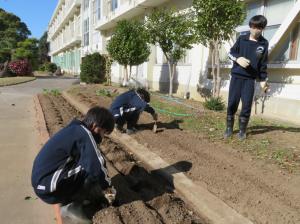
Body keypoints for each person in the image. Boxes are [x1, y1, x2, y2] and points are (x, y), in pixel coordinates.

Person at [31, 106, 116, 223]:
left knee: (87, 164)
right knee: (91, 167)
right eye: (104, 132)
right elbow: (96, 164)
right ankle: (70, 206)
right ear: (96, 127)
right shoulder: (84, 134)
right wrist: (108, 188)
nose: (103, 137)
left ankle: (76, 195)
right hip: (50, 188)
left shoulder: (76, 129)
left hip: (43, 182)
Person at [224, 15, 269, 140]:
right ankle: (229, 128)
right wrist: (238, 58)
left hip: (250, 79)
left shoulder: (264, 43)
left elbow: (263, 64)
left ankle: (242, 131)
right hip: (237, 77)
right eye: (254, 27)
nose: (256, 30)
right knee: (232, 102)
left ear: (263, 28)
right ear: (250, 27)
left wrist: (263, 80)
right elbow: (231, 53)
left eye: (260, 27)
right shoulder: (242, 39)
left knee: (246, 105)